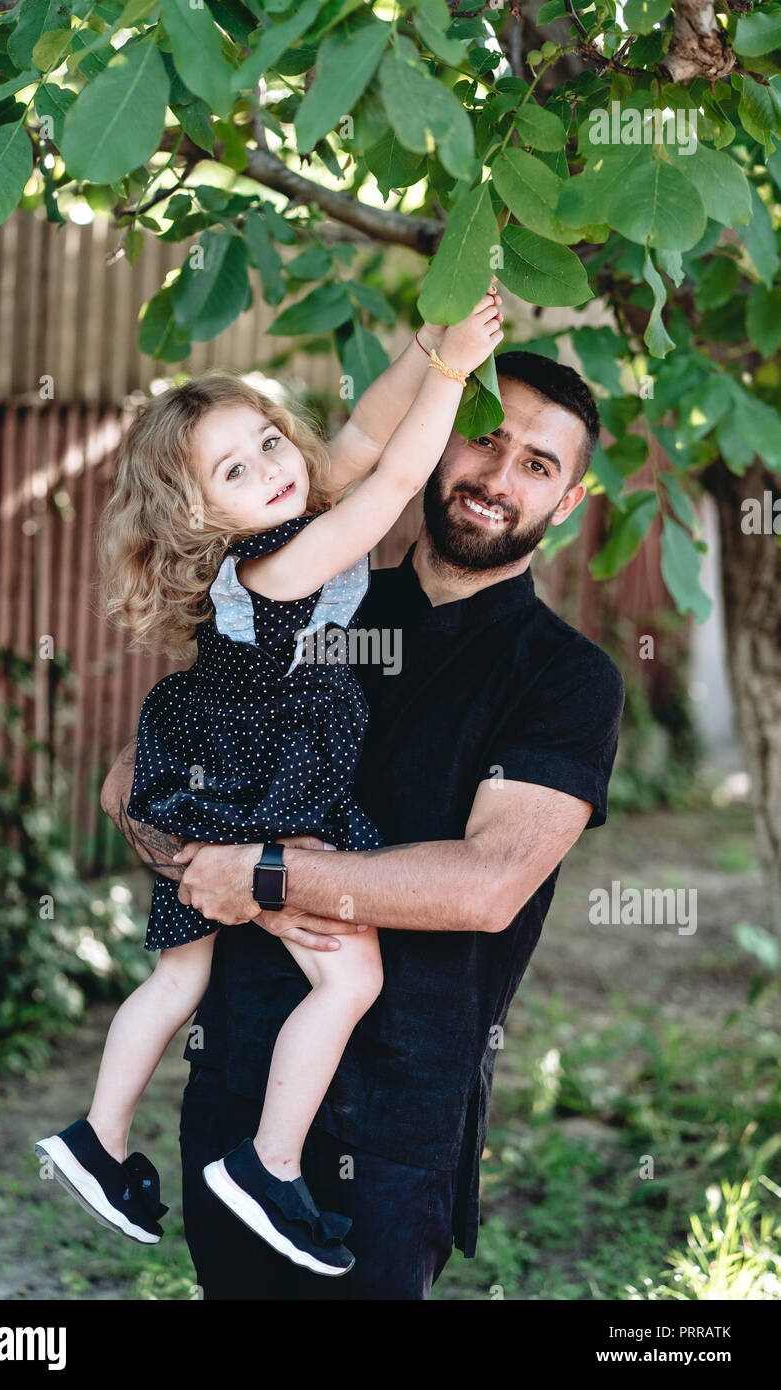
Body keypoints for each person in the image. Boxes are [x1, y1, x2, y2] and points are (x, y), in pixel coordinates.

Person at [102, 348, 626, 1301]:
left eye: (538, 466)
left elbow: (486, 885)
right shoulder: (317, 596)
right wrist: (209, 862)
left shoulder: (567, 679)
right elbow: (131, 787)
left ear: (570, 501)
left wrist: (264, 877)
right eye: (484, 437)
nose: (498, 479)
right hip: (238, 1082)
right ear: (438, 442)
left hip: (399, 1117)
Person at [34, 290, 505, 1276]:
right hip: (256, 778)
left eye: (270, 442)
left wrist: (423, 345)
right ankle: (268, 1163)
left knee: (178, 974)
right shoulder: (279, 564)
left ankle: (97, 1136)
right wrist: (455, 373)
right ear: (202, 513)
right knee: (350, 972)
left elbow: (368, 433)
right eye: (234, 470)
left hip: (215, 761)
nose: (271, 469)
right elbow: (391, 484)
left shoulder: (284, 516)